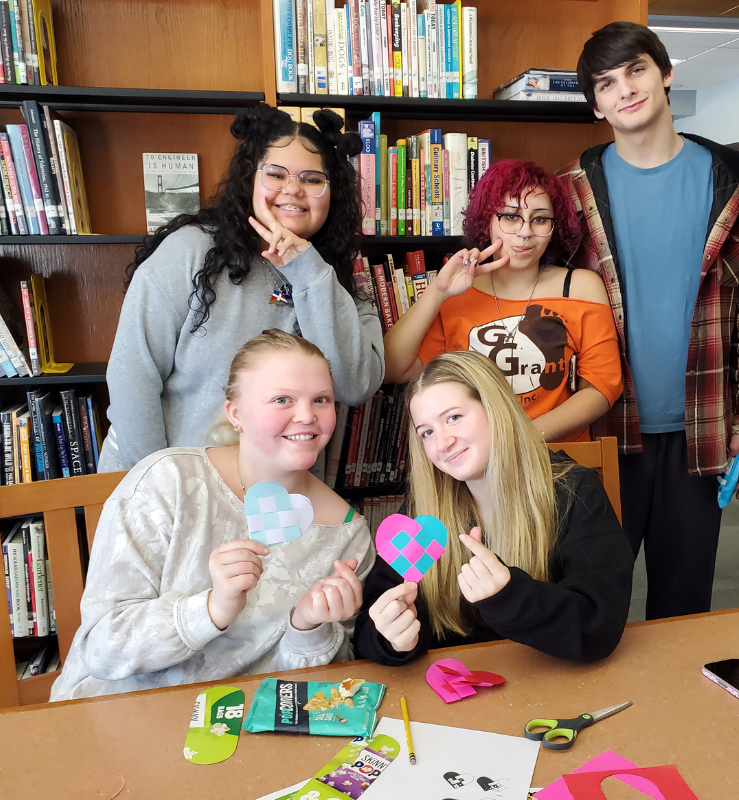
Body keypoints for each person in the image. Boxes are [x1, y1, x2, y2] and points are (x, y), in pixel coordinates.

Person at [560, 22, 739, 618]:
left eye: (635, 70)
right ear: (594, 102)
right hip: (602, 427)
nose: (624, 91)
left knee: (684, 604)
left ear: (665, 74)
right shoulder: (570, 194)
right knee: (589, 600)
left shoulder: (737, 182)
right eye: (606, 83)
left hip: (701, 427)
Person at [51, 331, 375, 701]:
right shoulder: (167, 481)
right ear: (235, 414)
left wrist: (308, 626)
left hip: (243, 732)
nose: (306, 416)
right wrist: (211, 608)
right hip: (119, 714)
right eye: (282, 399)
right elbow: (102, 649)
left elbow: (316, 695)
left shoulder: (348, 534)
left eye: (321, 399)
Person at [98, 105, 384, 472]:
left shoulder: (335, 281)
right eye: (276, 174)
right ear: (250, 178)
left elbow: (356, 385)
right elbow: (132, 373)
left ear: (333, 193)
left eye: (312, 179)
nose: (293, 189)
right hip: (169, 492)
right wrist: (158, 485)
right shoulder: (192, 251)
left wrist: (307, 267)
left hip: (275, 505)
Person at [353, 351, 633, 666]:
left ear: (495, 408)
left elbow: (599, 627)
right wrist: (391, 639)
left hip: (557, 687)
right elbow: (369, 627)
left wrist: (510, 596)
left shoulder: (574, 491)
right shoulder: (422, 515)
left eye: (453, 417)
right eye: (427, 432)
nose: (442, 442)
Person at [382, 159, 622, 442]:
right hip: (476, 466)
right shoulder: (457, 295)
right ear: (487, 222)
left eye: (540, 219)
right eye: (510, 216)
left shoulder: (581, 287)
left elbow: (602, 387)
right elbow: (392, 370)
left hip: (561, 462)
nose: (525, 232)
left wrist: (522, 441)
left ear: (554, 227)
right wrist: (438, 292)